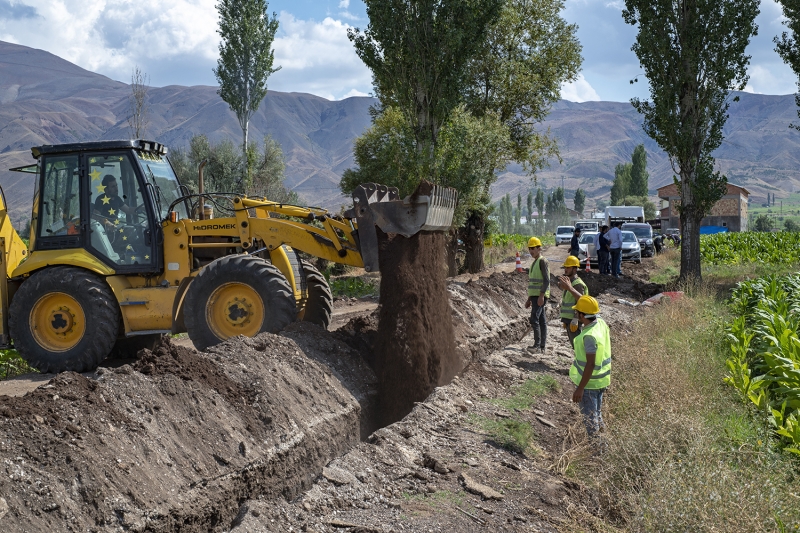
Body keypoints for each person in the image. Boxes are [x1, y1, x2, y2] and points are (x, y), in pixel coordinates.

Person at [569, 295, 611, 443]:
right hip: (601, 381)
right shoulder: (600, 323)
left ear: (581, 315)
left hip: (589, 385)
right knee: (597, 415)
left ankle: (597, 451)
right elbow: (589, 306)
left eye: (577, 313)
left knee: (590, 421)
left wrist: (580, 388)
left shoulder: (589, 337)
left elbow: (590, 364)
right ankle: (604, 447)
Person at [524, 236, 549, 354]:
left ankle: (537, 345)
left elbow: (546, 280)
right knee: (541, 320)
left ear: (539, 248)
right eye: (529, 248)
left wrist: (541, 296)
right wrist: (529, 299)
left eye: (533, 248)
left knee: (534, 318)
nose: (530, 251)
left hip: (540, 296)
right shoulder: (534, 262)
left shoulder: (542, 261)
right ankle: (542, 346)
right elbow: (533, 283)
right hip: (535, 296)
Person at [557, 256, 589, 347]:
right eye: (565, 267)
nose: (565, 270)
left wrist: (575, 318)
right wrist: (565, 319)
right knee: (575, 345)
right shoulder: (569, 283)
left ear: (575, 269)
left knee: (578, 346)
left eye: (568, 267)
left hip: (574, 320)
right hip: (569, 319)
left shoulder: (577, 284)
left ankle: (582, 361)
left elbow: (581, 301)